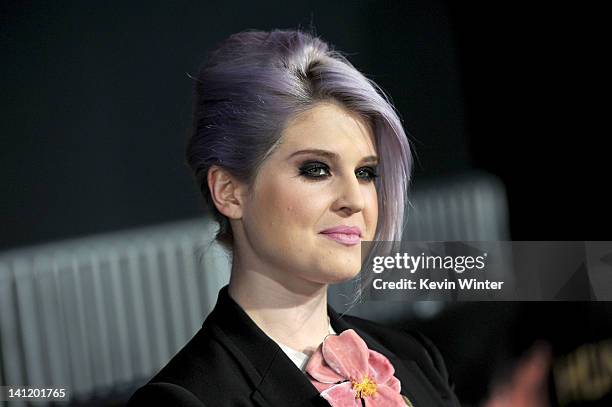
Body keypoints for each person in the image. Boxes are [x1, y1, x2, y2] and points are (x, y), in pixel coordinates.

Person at [128, 29, 460, 406]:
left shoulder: (417, 360)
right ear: (229, 191)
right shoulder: (186, 400)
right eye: (316, 169)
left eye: (366, 173)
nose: (355, 199)